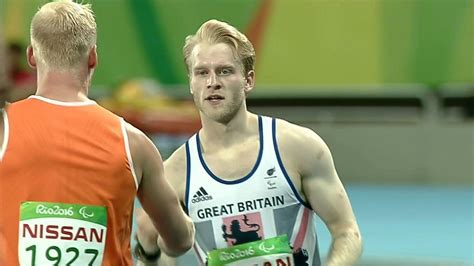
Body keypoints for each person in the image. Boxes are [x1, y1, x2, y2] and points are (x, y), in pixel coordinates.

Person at [136, 19, 362, 266]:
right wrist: (149, 252)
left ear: (248, 80)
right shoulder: (174, 174)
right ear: (191, 82)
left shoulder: (298, 148)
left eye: (224, 71)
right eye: (202, 73)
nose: (213, 82)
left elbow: (347, 232)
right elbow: (166, 258)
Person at [0, 1, 194, 265]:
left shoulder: (5, 128)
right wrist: (149, 247)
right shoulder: (134, 143)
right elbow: (181, 241)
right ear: (93, 57)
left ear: (32, 56)